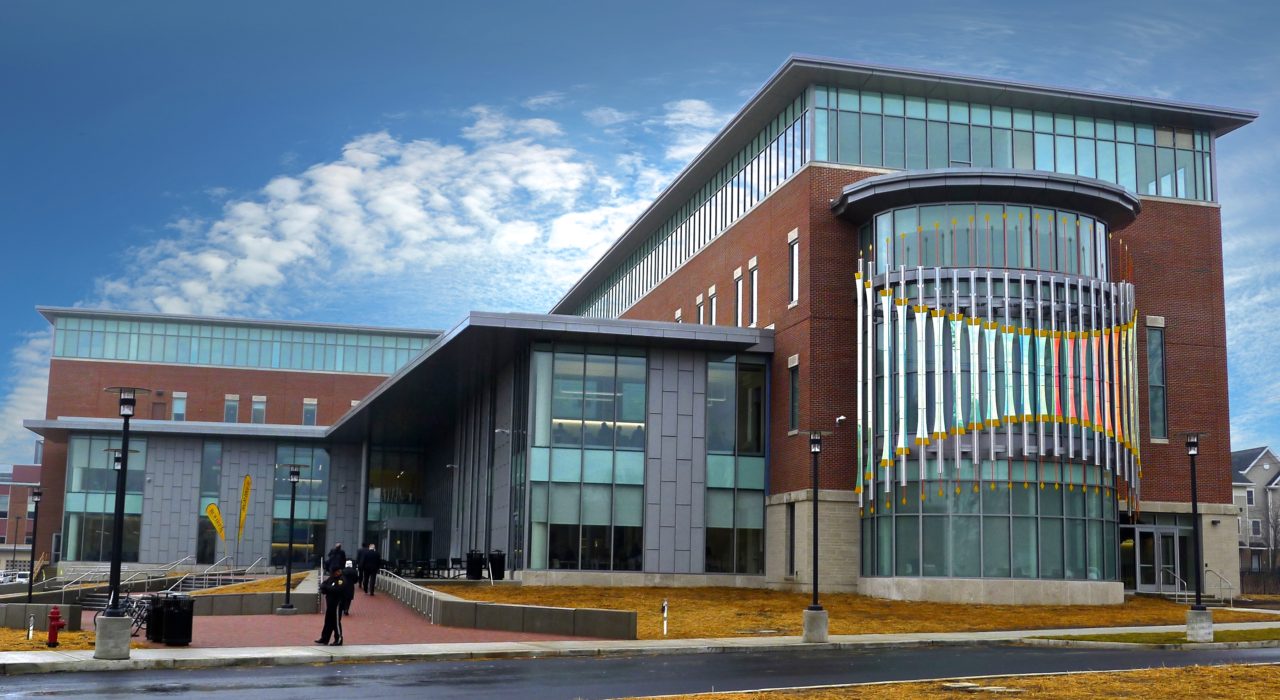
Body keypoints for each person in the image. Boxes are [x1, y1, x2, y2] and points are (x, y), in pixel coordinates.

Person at [315, 567, 346, 646]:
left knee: (336, 622)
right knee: (328, 621)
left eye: (335, 572)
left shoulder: (341, 580)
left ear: (338, 571)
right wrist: (326, 588)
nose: (333, 574)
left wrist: (327, 588)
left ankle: (338, 639)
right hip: (330, 603)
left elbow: (337, 590)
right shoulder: (331, 578)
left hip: (337, 603)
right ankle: (325, 638)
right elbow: (323, 584)